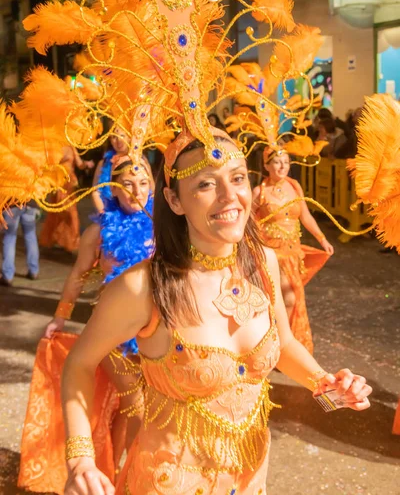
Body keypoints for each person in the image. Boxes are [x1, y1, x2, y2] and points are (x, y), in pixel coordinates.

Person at [61, 130, 371, 495]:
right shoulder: (143, 288)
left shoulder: (262, 262)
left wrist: (326, 383)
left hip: (251, 481)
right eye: (207, 184)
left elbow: (283, 344)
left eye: (238, 178)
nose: (230, 197)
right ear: (174, 200)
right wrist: (80, 457)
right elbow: (80, 362)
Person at [18, 155, 154, 494]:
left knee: (135, 406)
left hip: (156, 329)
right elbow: (78, 275)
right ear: (114, 190)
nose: (136, 192)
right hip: (113, 333)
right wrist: (60, 316)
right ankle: (136, 478)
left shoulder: (165, 227)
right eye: (127, 186)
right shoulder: (99, 230)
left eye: (143, 184)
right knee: (136, 404)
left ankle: (117, 469)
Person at [253, 148, 334, 353]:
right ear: (266, 166)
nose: (282, 167)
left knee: (289, 299)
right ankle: (281, 345)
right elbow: (248, 223)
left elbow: (305, 216)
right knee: (288, 298)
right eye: (277, 162)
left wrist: (322, 239)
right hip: (272, 255)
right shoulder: (259, 192)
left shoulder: (294, 186)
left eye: (286, 162)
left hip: (293, 253)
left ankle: (282, 344)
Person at [39, 146, 94, 252]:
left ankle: (68, 241)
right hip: (58, 182)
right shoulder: (53, 144)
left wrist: (86, 164)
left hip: (69, 183)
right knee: (59, 212)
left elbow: (79, 164)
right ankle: (54, 238)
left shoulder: (71, 146)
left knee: (70, 213)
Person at [0, 202, 40, 286]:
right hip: (30, 203)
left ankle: (8, 276)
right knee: (30, 236)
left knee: (9, 237)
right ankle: (34, 271)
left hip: (11, 204)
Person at [92, 126, 130, 214]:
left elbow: (152, 191)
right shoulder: (103, 163)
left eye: (122, 136)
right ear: (110, 140)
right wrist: (104, 214)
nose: (118, 140)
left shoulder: (140, 161)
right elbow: (96, 192)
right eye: (114, 137)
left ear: (129, 137)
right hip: (110, 214)